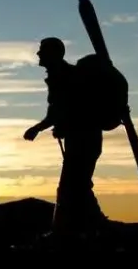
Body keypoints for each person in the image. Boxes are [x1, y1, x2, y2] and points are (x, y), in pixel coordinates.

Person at [23, 37, 108, 242]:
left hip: (83, 140)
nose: (38, 54)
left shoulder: (65, 77)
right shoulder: (60, 76)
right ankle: (93, 228)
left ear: (53, 53)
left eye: (42, 50)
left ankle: (68, 232)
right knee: (78, 185)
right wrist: (41, 127)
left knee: (72, 186)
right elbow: (57, 112)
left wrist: (54, 126)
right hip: (82, 139)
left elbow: (74, 109)